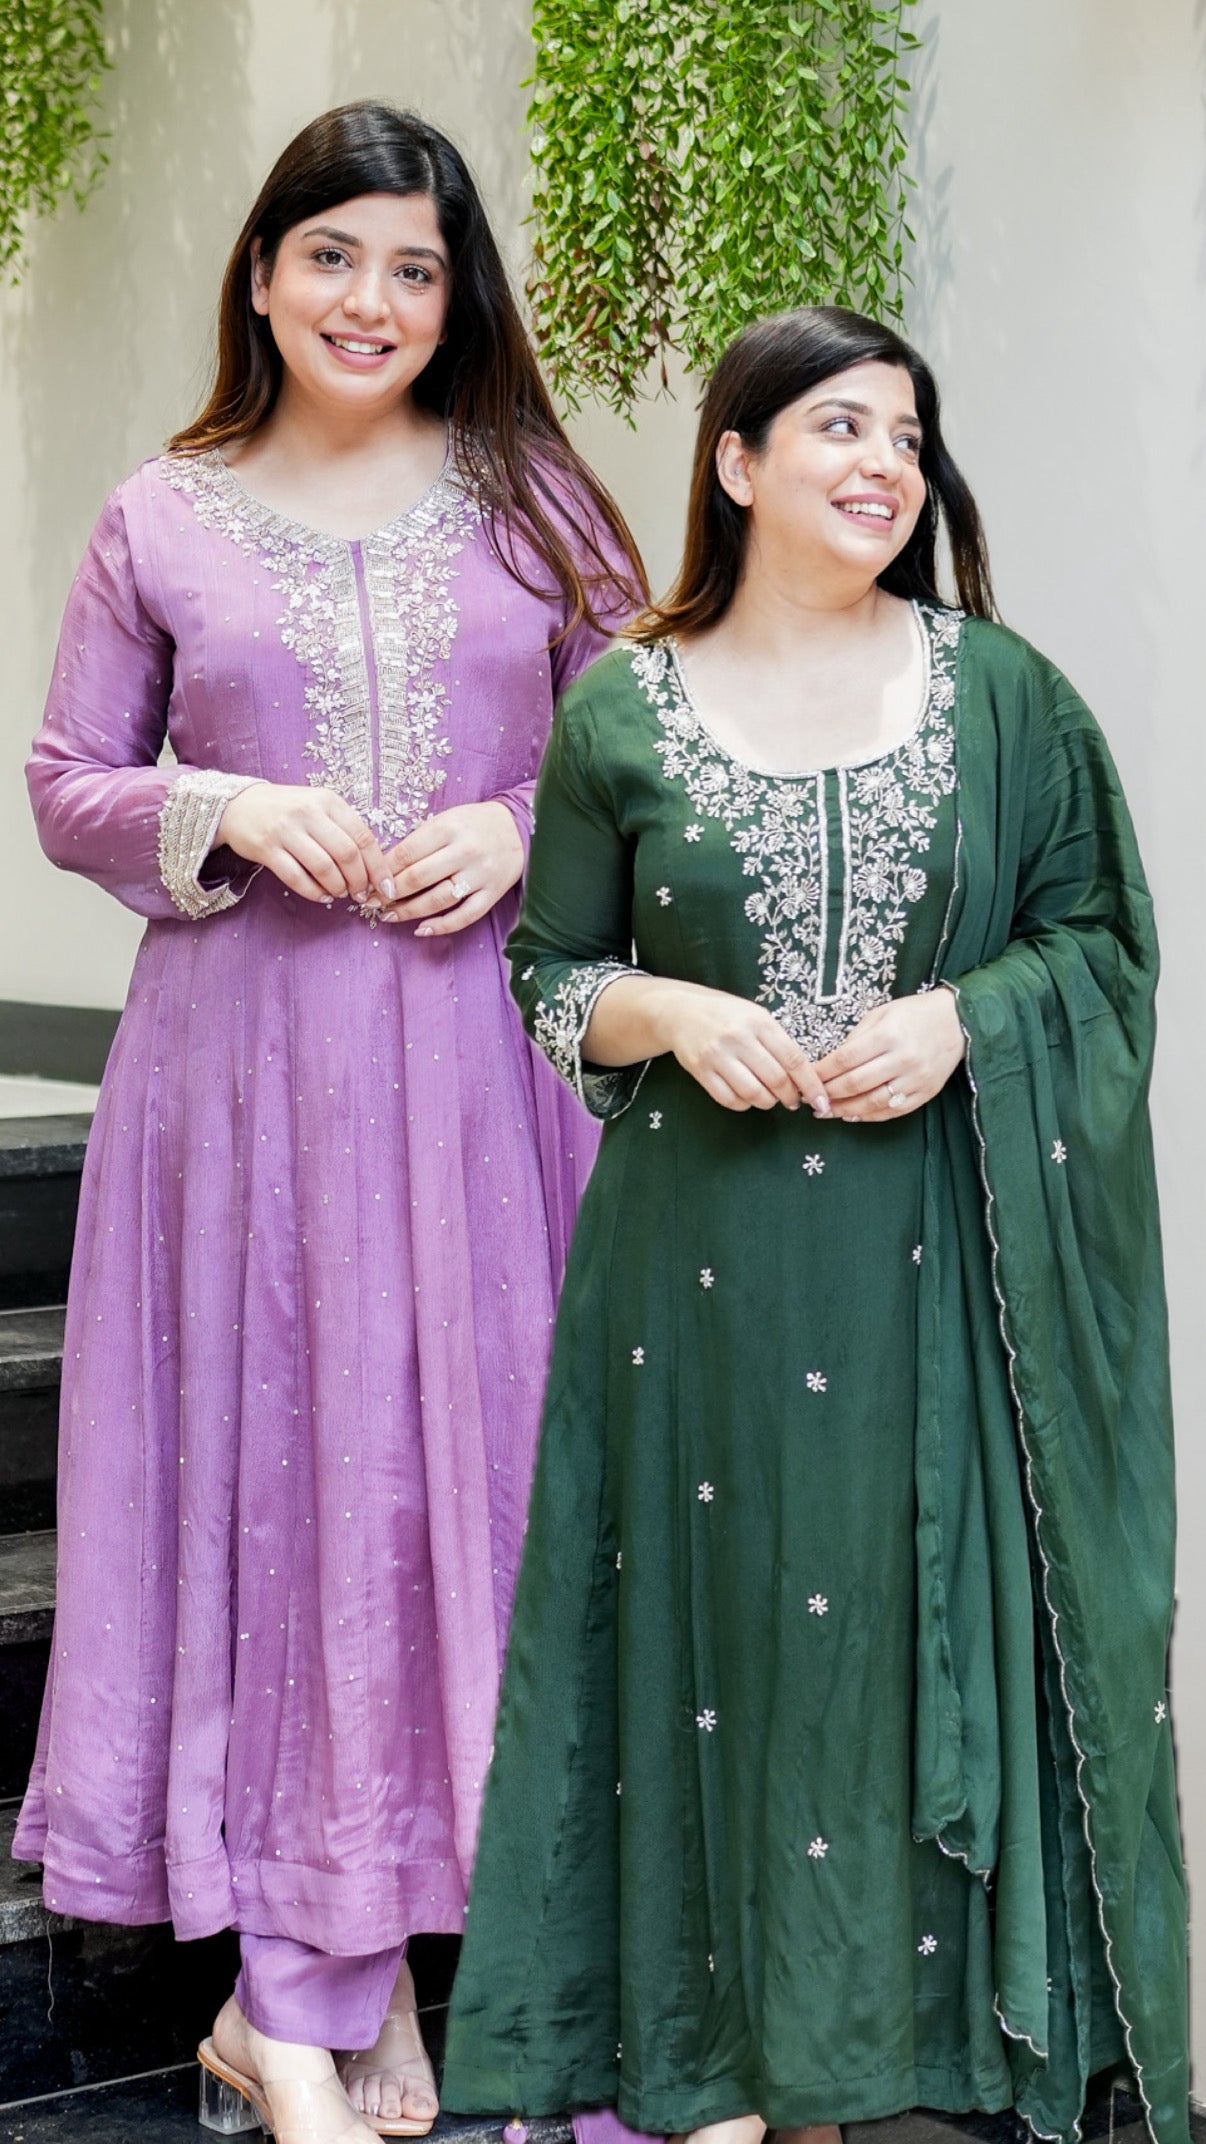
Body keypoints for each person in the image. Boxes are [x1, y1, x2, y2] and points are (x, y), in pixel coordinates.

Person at [439, 306, 1189, 2144]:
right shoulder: (622, 706)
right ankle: (715, 2068)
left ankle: (926, 2061)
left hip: (943, 1267)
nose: (882, 466)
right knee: (729, 1649)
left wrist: (965, 1021)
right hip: (694, 1274)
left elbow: (1100, 945)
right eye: (840, 426)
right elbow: (550, 972)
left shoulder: (1002, 695)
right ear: (737, 459)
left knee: (902, 1630)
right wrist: (671, 1013)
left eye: (907, 437)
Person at [16, 101, 644, 2144]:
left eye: (415, 267)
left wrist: (516, 824)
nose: (371, 300)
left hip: (478, 1085)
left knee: (466, 1488)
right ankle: (310, 1990)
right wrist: (226, 807)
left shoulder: (538, 503)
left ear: (457, 299)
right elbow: (66, 781)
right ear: (266, 275)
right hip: (245, 1088)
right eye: (334, 256)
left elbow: (652, 748)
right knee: (284, 1482)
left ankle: (339, 1996)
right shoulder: (161, 516)